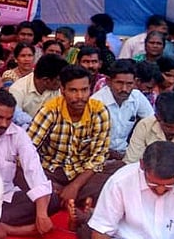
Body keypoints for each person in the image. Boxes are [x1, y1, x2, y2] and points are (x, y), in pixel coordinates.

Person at [28, 65, 111, 213]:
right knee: (20, 173)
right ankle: (70, 198)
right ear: (62, 90)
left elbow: (98, 158)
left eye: (84, 90)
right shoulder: (50, 110)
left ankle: (61, 196)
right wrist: (44, 182)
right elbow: (27, 150)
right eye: (73, 90)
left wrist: (75, 186)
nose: (80, 96)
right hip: (51, 171)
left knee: (117, 171)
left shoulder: (99, 111)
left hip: (83, 173)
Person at [0, 89, 57, 239]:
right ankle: (13, 229)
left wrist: (41, 214)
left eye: (9, 119)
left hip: (6, 199)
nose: (4, 124)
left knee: (50, 200)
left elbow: (34, 170)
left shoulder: (18, 134)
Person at [91, 59, 154, 162]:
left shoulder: (136, 96)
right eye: (119, 83)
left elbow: (152, 122)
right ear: (108, 82)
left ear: (135, 82)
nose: (124, 88)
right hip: (99, 158)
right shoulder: (96, 103)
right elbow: (90, 142)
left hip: (127, 155)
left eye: (129, 84)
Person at [9, 53, 67, 117]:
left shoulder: (57, 89)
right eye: (59, 79)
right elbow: (14, 117)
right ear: (46, 80)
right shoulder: (17, 90)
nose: (63, 82)